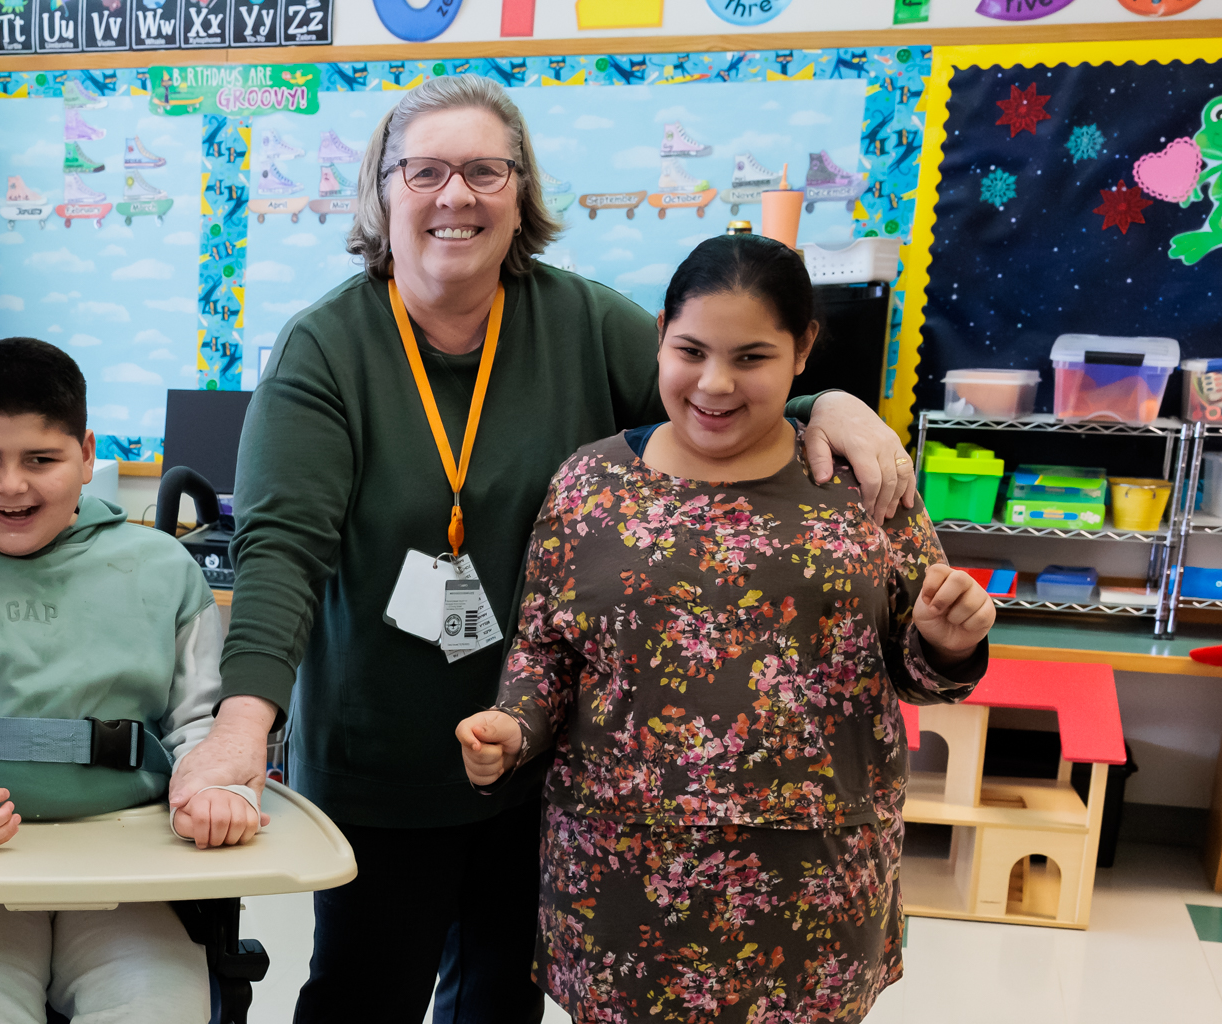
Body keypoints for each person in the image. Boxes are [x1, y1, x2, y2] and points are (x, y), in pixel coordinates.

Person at [220, 75, 923, 1023]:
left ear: (521, 194)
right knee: (361, 996)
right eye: (423, 170)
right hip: (384, 760)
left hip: (552, 764)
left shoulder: (584, 322)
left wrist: (823, 402)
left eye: (484, 170)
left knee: (501, 998)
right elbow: (280, 554)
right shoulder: (326, 349)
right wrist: (238, 732)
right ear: (382, 194)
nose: (455, 194)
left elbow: (713, 401)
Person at [456, 233, 995, 1022]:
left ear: (802, 349)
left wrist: (950, 640)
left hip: (814, 876)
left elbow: (915, 667)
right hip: (623, 879)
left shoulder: (860, 484)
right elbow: (546, 651)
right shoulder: (589, 484)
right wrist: (512, 725)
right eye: (691, 350)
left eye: (751, 357)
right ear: (661, 338)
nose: (714, 384)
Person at [0, 338, 271, 1024]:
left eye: (42, 459)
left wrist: (218, 789)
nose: (11, 485)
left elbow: (202, 725)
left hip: (129, 868)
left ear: (87, 453)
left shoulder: (161, 568)